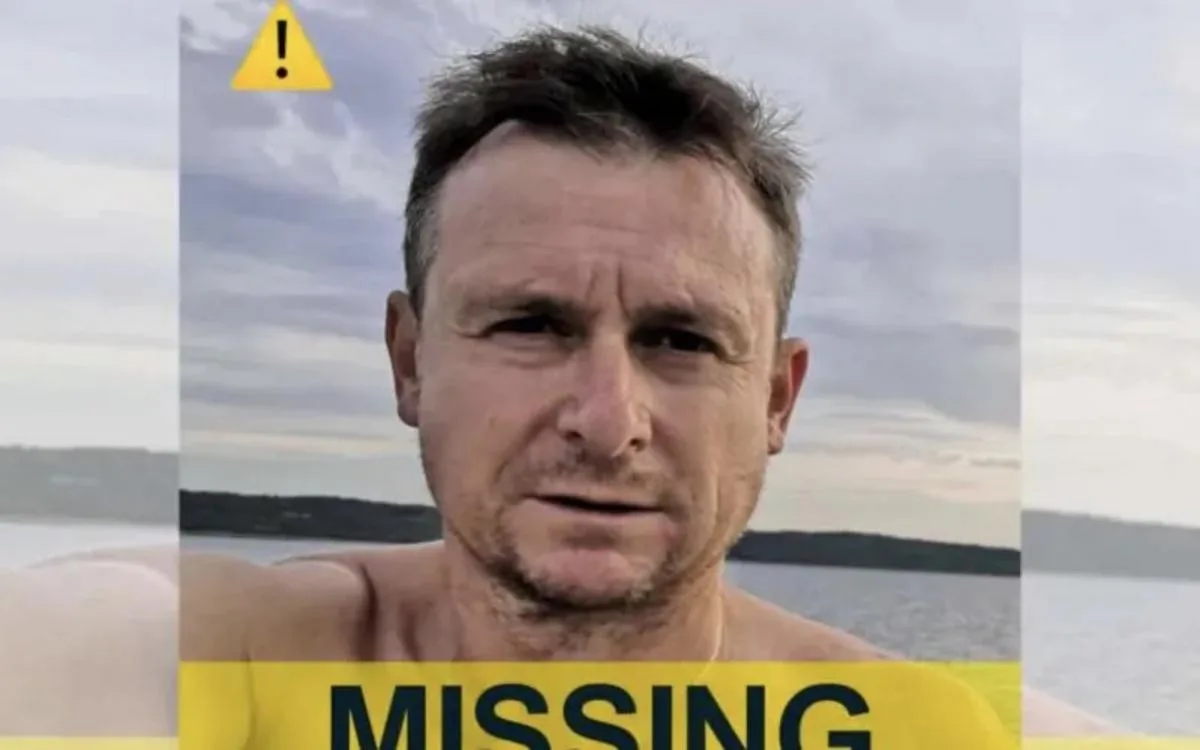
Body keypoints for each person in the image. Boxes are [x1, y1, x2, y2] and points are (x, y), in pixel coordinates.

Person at [0, 23, 1122, 745]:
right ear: (410, 361)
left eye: (682, 340)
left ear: (778, 400)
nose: (607, 420)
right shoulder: (222, 661)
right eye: (531, 325)